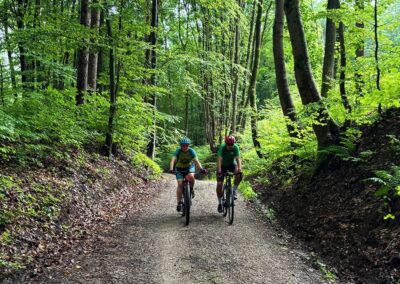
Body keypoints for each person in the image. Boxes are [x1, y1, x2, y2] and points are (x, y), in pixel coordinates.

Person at [169, 137, 206, 212]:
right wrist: (171, 168)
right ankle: (179, 202)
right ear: (180, 146)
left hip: (189, 167)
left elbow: (196, 161)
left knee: (191, 176)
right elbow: (173, 160)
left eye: (186, 145)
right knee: (180, 184)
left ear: (188, 145)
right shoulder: (178, 151)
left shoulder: (191, 151)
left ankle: (191, 189)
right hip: (179, 168)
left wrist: (201, 169)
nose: (185, 147)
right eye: (183, 145)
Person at [216, 135, 243, 213]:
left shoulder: (235, 147)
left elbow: (238, 159)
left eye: (232, 144)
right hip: (222, 165)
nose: (230, 146)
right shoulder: (222, 147)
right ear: (226, 143)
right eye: (229, 144)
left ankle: (234, 191)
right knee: (219, 184)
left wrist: (239, 168)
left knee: (239, 174)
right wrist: (220, 170)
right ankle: (220, 203)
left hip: (231, 164)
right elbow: (219, 160)